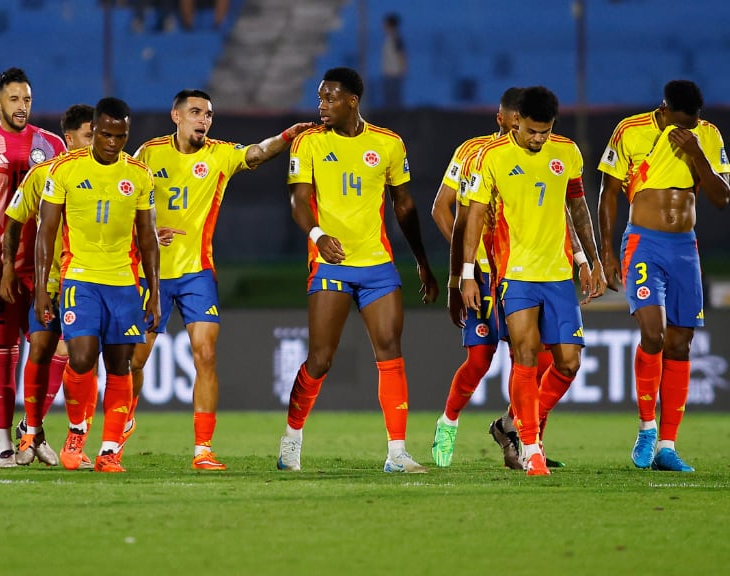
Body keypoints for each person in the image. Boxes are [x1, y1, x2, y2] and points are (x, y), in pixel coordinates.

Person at [131, 89, 314, 470]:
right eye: (196, 112)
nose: (204, 120)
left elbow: (257, 153)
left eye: (209, 114)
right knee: (135, 360)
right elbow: (124, 198)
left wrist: (286, 137)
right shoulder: (148, 154)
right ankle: (122, 423)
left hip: (198, 272)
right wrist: (145, 232)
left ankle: (203, 449)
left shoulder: (219, 154)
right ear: (176, 115)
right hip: (153, 274)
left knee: (207, 356)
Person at [277, 67, 439, 473]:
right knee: (320, 359)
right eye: (319, 98)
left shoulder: (387, 143)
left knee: (390, 351)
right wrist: (316, 235)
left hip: (377, 265)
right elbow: (298, 200)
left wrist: (421, 260)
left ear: (352, 100)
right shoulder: (308, 142)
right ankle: (291, 441)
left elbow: (403, 205)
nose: (321, 106)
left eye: (329, 98)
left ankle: (397, 453)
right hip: (330, 262)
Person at [457, 86, 605, 476]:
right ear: (516, 121)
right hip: (516, 274)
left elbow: (576, 207)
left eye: (546, 131)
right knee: (524, 358)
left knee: (569, 363)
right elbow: (473, 217)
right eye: (532, 131)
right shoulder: (491, 156)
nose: (539, 139)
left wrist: (589, 259)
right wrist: (467, 274)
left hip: (558, 274)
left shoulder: (567, 152)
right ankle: (532, 448)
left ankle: (513, 423)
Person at [597, 80, 730, 472]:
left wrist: (698, 155)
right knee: (653, 333)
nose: (689, 127)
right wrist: (606, 252)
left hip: (684, 248)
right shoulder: (630, 130)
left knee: (681, 343)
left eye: (695, 121)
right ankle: (647, 426)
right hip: (644, 243)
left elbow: (722, 198)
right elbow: (607, 191)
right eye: (683, 121)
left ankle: (667, 447)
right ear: (665, 110)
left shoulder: (706, 136)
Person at [34, 97, 160, 473]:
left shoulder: (138, 174)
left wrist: (153, 293)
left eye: (120, 135)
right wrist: (43, 288)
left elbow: (149, 237)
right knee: (82, 357)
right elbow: (46, 231)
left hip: (123, 282)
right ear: (94, 130)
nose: (112, 141)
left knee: (120, 365)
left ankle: (109, 451)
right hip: (80, 279)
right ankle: (76, 431)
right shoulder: (66, 170)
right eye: (105, 134)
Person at [0, 67, 66, 468]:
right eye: (14, 99)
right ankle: (5, 446)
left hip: (42, 268)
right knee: (3, 354)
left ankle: (31, 429)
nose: (22, 107)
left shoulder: (51, 144)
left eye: (27, 100)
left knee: (55, 347)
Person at [0, 104, 95, 468]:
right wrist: (8, 267)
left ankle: (64, 436)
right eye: (88, 136)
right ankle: (31, 429)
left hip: (86, 281)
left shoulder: (107, 172)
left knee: (73, 356)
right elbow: (14, 218)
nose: (95, 143)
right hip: (48, 280)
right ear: (68, 138)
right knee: (40, 348)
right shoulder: (44, 174)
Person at [381, 13, 406, 108]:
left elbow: (402, 55)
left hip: (394, 73)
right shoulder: (389, 38)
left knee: (393, 98)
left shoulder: (396, 39)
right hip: (389, 73)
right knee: (390, 97)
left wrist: (402, 70)